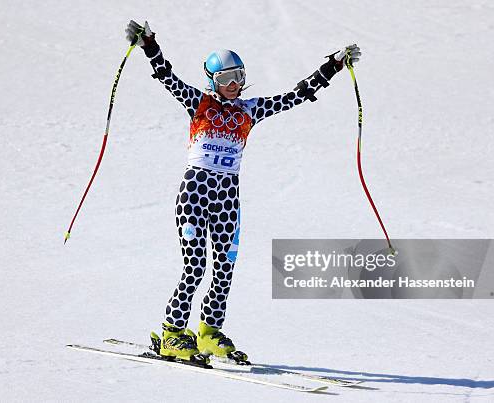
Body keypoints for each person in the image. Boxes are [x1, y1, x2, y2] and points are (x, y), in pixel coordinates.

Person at [125, 20, 361, 362]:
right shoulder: (198, 103)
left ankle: (209, 332)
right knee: (195, 266)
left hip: (227, 196)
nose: (234, 85)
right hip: (195, 193)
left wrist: (334, 64)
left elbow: (294, 96)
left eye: (238, 76)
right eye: (225, 79)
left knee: (225, 267)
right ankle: (172, 333)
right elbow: (166, 76)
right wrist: (148, 43)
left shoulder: (249, 110)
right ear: (212, 81)